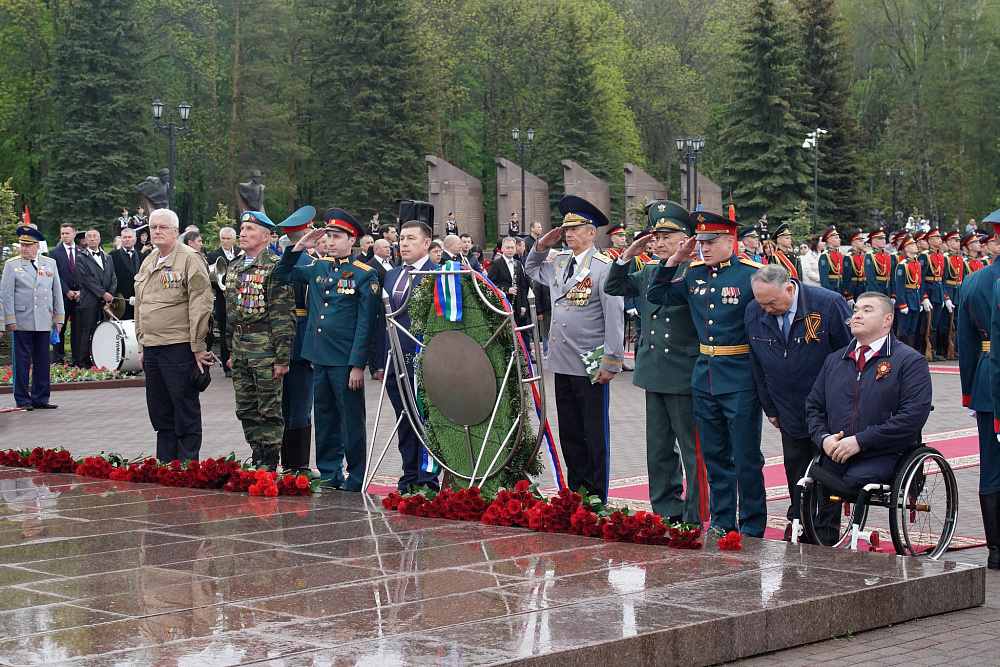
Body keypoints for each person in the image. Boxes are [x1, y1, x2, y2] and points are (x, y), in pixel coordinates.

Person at [647, 211, 766, 537]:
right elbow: (657, 295)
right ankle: (722, 520)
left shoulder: (752, 276)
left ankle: (753, 524)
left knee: (745, 457)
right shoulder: (694, 272)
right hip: (704, 377)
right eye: (701, 242)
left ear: (731, 241)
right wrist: (674, 259)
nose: (705, 248)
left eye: (712, 242)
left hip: (740, 378)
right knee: (714, 457)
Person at [604, 201, 705, 524]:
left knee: (692, 451)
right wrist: (627, 255)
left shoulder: (697, 272)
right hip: (653, 372)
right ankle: (667, 510)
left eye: (666, 237)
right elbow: (613, 286)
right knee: (659, 449)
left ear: (686, 239)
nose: (658, 243)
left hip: (683, 371)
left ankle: (694, 512)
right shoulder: (649, 270)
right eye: (655, 237)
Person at [525, 195, 624, 503]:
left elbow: (614, 315)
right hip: (562, 360)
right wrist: (541, 244)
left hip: (591, 362)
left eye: (575, 228)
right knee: (569, 430)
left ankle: (598, 496)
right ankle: (577, 491)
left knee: (594, 433)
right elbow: (530, 268)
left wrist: (612, 360)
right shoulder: (558, 263)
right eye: (565, 229)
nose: (568, 234)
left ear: (591, 232)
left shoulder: (604, 267)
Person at [746, 264, 852, 539]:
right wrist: (770, 407)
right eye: (761, 303)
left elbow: (850, 355)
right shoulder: (754, 311)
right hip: (787, 405)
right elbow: (757, 364)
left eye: (771, 302)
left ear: (790, 289)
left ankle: (826, 532)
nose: (766, 309)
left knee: (830, 469)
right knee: (795, 467)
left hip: (828, 406)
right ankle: (799, 523)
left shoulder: (828, 305)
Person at [275, 208, 379, 488]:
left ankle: (355, 476)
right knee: (325, 418)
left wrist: (358, 364)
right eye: (328, 237)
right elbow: (282, 273)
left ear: (351, 241)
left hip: (345, 361)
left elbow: (365, 324)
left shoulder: (364, 275)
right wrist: (299, 246)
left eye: (337, 237)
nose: (331, 242)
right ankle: (331, 472)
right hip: (319, 357)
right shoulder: (319, 267)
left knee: (351, 421)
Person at [806, 291, 931, 488]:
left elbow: (913, 415)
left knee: (854, 481)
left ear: (887, 320)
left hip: (885, 452)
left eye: (867, 310)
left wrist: (860, 441)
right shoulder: (835, 360)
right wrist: (824, 438)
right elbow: (814, 406)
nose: (857, 315)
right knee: (814, 478)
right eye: (855, 310)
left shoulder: (910, 361)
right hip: (839, 450)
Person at [133, 209, 215, 462]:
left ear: (176, 232)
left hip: (179, 347)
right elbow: (141, 304)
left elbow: (201, 303)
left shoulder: (190, 259)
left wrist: (199, 345)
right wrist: (141, 345)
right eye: (152, 227)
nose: (156, 232)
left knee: (184, 407)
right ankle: (166, 464)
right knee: (160, 411)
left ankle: (188, 466)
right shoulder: (149, 260)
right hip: (153, 346)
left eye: (162, 228)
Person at [224, 211, 296, 469]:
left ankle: (269, 458)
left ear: (266, 236)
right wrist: (231, 353)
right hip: (241, 348)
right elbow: (230, 314)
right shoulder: (234, 267)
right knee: (245, 407)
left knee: (269, 409)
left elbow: (283, 316)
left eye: (249, 229)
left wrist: (282, 358)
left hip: (265, 349)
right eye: (241, 228)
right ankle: (256, 453)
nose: (242, 233)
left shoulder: (275, 267)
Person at [375, 220, 441, 492]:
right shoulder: (392, 274)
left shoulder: (438, 274)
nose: (403, 243)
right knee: (404, 421)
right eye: (401, 238)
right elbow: (384, 321)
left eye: (411, 238)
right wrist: (379, 363)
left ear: (426, 243)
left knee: (426, 422)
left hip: (423, 363)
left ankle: (427, 479)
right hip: (395, 362)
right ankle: (409, 475)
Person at [960, 216, 1000, 568]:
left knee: (991, 465)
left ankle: (996, 549)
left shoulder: (973, 282)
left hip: (988, 380)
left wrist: (969, 394)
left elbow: (967, 340)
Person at [1, 226, 64, 410]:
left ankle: (41, 397)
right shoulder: (12, 265)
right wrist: (9, 319)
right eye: (21, 244)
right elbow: (6, 295)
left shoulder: (49, 264)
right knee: (21, 362)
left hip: (43, 319)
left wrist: (59, 318)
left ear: (37, 246)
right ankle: (23, 399)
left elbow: (56, 292)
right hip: (22, 320)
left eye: (28, 245)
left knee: (43, 361)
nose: (23, 248)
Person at [76, 229, 117, 367]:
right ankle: (84, 363)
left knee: (105, 330)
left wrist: (110, 294)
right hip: (90, 300)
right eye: (89, 237)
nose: (92, 239)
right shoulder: (81, 258)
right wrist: (102, 293)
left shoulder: (108, 257)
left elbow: (113, 277)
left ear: (99, 239)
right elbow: (86, 280)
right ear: (85, 240)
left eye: (95, 237)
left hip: (106, 302)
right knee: (88, 330)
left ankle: (103, 360)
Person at [206, 227, 239, 377]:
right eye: (222, 239)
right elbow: (210, 279)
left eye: (228, 239)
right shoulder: (213, 255)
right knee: (226, 334)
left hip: (240, 300)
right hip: (223, 301)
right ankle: (227, 367)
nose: (225, 241)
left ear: (234, 239)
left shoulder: (240, 252)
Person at [48, 223, 81, 366]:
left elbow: (85, 274)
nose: (64, 236)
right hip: (62, 296)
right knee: (60, 328)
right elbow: (55, 275)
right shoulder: (55, 253)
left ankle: (77, 359)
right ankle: (58, 359)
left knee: (77, 329)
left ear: (74, 234)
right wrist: (66, 290)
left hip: (78, 296)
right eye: (62, 234)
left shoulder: (81, 251)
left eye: (67, 233)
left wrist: (80, 291)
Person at [893, 233, 929, 349]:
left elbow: (920, 283)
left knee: (912, 329)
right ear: (906, 248)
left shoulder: (917, 263)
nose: (915, 246)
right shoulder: (903, 265)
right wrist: (902, 303)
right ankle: (902, 352)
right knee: (904, 329)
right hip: (907, 299)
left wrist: (922, 301)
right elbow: (900, 286)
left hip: (916, 298)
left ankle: (910, 352)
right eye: (912, 244)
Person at [918, 228, 946, 360]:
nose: (940, 240)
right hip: (929, 290)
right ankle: (924, 350)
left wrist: (945, 297)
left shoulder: (940, 256)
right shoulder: (925, 256)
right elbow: (921, 278)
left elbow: (943, 279)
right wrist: (924, 297)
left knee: (935, 323)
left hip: (938, 291)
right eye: (937, 238)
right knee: (927, 322)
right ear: (929, 241)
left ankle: (932, 350)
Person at [487, 237, 529, 320]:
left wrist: (523, 305)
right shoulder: (496, 264)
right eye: (508, 248)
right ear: (502, 248)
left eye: (512, 248)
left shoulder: (518, 263)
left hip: (517, 305)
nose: (510, 250)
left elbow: (522, 285)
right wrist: (507, 289)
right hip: (502, 303)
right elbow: (490, 284)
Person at [109, 228, 145, 320]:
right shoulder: (112, 256)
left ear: (135, 239)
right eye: (125, 237)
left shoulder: (142, 256)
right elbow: (109, 277)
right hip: (120, 299)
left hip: (139, 298)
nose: (127, 239)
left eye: (129, 237)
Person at [864, 227, 893, 300]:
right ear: (873, 241)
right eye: (880, 239)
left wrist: (893, 293)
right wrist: (876, 292)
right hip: (876, 288)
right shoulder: (870, 255)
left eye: (884, 239)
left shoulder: (888, 256)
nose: (883, 241)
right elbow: (870, 276)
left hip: (887, 288)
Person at [842, 228, 868, 306]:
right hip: (854, 288)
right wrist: (849, 296)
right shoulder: (849, 257)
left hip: (863, 287)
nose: (863, 243)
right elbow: (846, 278)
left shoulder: (863, 256)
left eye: (863, 241)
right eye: (860, 241)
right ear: (853, 243)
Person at [817, 226, 843, 296]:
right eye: (836, 238)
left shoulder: (839, 254)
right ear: (829, 240)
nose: (839, 240)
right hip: (831, 288)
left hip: (840, 287)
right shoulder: (825, 256)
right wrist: (828, 293)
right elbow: (824, 278)